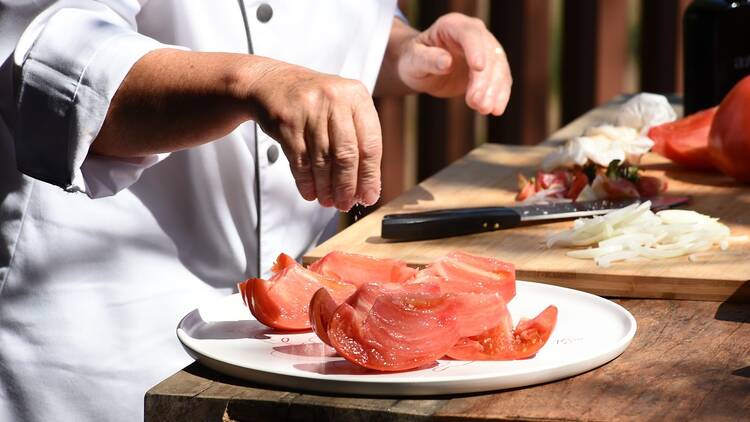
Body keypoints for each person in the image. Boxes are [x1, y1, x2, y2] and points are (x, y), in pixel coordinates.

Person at [0, 1, 512, 420]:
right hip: (104, 340)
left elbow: (336, 21)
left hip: (295, 345)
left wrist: (404, 50)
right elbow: (57, 62)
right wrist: (252, 81)